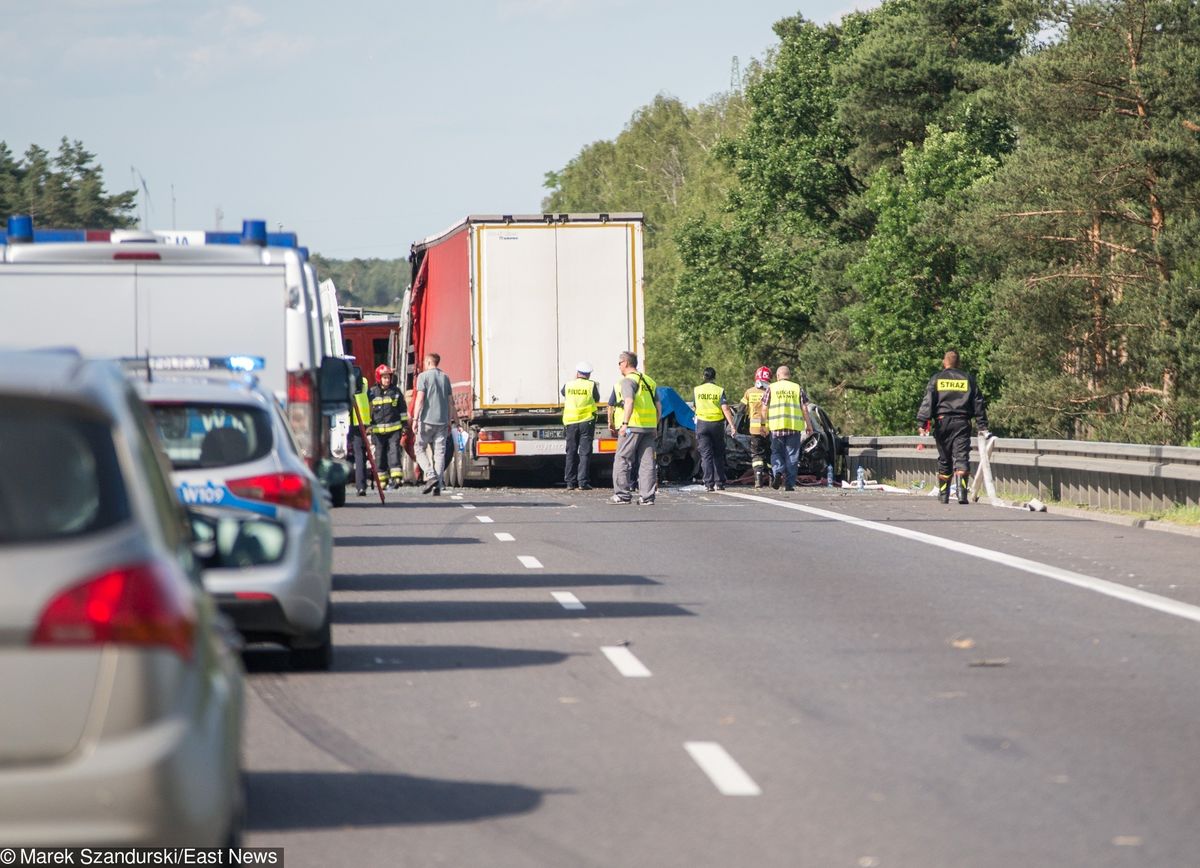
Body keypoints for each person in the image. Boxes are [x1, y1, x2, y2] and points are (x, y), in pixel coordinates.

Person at [916, 349, 989, 504]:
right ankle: (962, 495)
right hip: (962, 422)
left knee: (944, 459)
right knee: (961, 456)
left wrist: (922, 422)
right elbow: (978, 403)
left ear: (944, 362)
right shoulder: (968, 379)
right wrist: (982, 425)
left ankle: (944, 495)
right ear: (959, 363)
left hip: (942, 423)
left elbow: (928, 401)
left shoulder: (937, 379)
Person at [608, 350, 661, 505]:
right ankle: (647, 497)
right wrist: (655, 425)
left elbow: (629, 402)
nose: (619, 367)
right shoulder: (649, 381)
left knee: (622, 459)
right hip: (649, 427)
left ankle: (622, 495)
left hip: (632, 426)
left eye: (619, 363)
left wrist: (624, 423)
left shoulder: (627, 381)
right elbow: (658, 406)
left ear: (625, 363)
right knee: (647, 463)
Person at [410, 352, 459, 495]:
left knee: (418, 448)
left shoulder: (423, 377)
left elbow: (419, 400)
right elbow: (451, 402)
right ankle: (438, 484)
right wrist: (455, 422)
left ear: (428, 362)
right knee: (439, 453)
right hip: (443, 422)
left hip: (426, 421)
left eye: (425, 363)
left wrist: (415, 419)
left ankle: (430, 475)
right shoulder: (445, 377)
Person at [760, 365, 804, 491]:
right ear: (789, 375)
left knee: (776, 452)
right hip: (794, 427)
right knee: (792, 455)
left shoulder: (771, 388)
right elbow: (804, 408)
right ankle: (789, 484)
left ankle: (778, 471)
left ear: (778, 376)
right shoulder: (797, 388)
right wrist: (809, 426)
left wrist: (763, 425)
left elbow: (764, 407)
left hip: (776, 427)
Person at [693, 367, 736, 491]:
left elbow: (695, 407)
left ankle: (708, 483)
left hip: (702, 424)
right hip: (716, 424)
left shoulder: (697, 390)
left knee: (706, 455)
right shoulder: (719, 390)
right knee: (718, 453)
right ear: (714, 377)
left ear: (703, 376)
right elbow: (725, 409)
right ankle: (720, 482)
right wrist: (732, 425)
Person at [561, 362, 600, 490]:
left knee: (571, 452)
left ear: (577, 373)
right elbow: (596, 399)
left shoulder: (568, 385)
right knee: (585, 452)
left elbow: (564, 394)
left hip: (571, 422)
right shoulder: (591, 385)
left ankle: (570, 483)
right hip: (586, 422)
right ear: (588, 374)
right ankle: (582, 482)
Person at [368, 364, 406, 491]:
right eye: (384, 378)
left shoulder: (395, 392)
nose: (387, 380)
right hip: (378, 432)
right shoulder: (372, 393)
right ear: (379, 378)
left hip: (394, 429)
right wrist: (368, 426)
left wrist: (404, 425)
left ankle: (397, 478)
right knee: (380, 455)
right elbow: (368, 411)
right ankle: (382, 480)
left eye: (388, 377)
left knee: (394, 451)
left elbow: (402, 410)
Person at [738, 366, 771, 488]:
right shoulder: (770, 392)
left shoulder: (749, 392)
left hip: (754, 430)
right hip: (770, 429)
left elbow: (741, 410)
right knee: (770, 453)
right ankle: (772, 479)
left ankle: (758, 479)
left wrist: (735, 427)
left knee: (757, 455)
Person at [348, 372, 371, 496]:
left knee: (358, 454)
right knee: (359, 455)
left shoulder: (339, 380)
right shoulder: (364, 381)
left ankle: (361, 486)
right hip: (359, 422)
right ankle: (361, 487)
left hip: (345, 421)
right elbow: (370, 401)